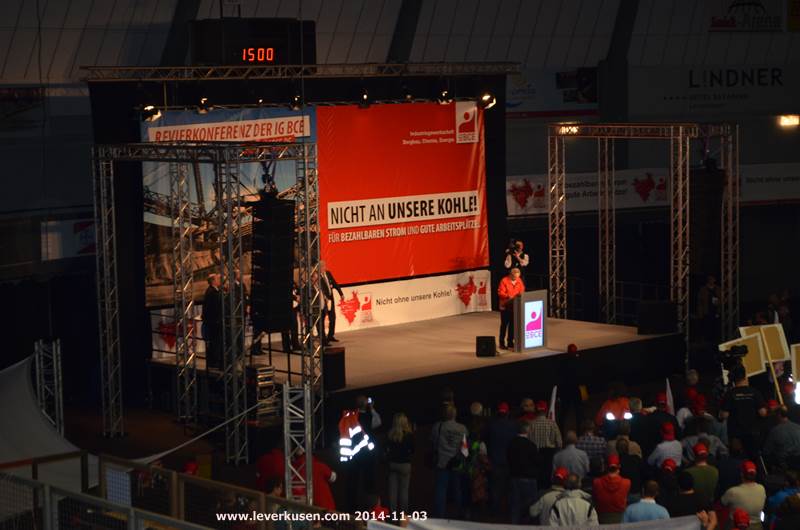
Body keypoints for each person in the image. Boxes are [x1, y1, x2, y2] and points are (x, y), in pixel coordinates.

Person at [720, 365, 767, 458]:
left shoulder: (730, 394)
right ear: (745, 377)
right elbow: (763, 412)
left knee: (738, 461)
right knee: (753, 459)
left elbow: (724, 415)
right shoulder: (755, 392)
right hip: (753, 433)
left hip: (736, 435)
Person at [431, 404, 468, 518]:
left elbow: (433, 442)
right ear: (455, 415)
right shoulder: (462, 428)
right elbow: (465, 446)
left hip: (442, 462)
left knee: (441, 490)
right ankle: (459, 514)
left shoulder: (438, 426)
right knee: (458, 489)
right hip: (456, 462)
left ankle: (439, 516)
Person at [346, 396, 382, 511]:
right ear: (365, 405)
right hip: (368, 454)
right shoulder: (369, 416)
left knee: (353, 482)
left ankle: (352, 508)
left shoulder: (351, 417)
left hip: (355, 453)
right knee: (369, 483)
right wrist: (372, 409)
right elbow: (378, 422)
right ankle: (370, 508)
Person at [487, 402, 516, 514]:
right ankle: (508, 511)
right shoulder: (514, 425)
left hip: (495, 460)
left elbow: (486, 440)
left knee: (495, 488)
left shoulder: (491, 425)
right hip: (510, 461)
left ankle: (495, 510)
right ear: (508, 412)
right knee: (509, 488)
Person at [507, 421, 539, 524]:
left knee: (515, 505)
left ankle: (514, 525)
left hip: (514, 477)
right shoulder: (532, 445)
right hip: (529, 479)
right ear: (528, 431)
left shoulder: (511, 444)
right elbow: (536, 462)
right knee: (530, 507)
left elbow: (508, 459)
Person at [721, 460, 766, 530]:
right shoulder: (762, 488)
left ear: (742, 474)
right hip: (757, 527)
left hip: (737, 526)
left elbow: (722, 503)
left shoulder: (733, 491)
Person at [386, 413, 414, 514]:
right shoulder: (409, 435)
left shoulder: (390, 434)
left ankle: (392, 513)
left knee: (392, 491)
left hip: (393, 464)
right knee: (404, 491)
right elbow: (413, 450)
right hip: (405, 465)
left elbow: (386, 450)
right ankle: (403, 514)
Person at [592, 454, 631, 524]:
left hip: (602, 518)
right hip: (619, 518)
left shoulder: (596, 482)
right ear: (619, 466)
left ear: (605, 466)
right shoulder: (627, 482)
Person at [497, 267, 525, 349]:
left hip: (515, 306)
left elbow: (522, 289)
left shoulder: (519, 280)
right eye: (515, 277)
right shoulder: (504, 281)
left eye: (517, 277)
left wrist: (520, 295)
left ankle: (510, 342)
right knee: (504, 325)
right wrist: (509, 296)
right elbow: (500, 292)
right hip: (505, 306)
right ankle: (501, 343)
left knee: (512, 325)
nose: (516, 278)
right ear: (511, 275)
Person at [319, 261, 344, 345]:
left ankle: (330, 335)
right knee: (322, 319)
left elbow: (335, 284)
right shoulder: (317, 276)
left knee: (333, 317)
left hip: (330, 299)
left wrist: (341, 293)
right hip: (324, 301)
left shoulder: (328, 273)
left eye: (324, 266)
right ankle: (323, 339)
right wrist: (325, 298)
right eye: (322, 266)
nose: (324, 268)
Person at [202, 273, 223, 369]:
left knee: (216, 342)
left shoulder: (214, 291)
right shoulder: (211, 292)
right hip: (214, 322)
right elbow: (213, 308)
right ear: (213, 281)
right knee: (215, 342)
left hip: (215, 321)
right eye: (218, 279)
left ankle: (215, 361)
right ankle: (214, 362)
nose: (220, 280)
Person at [616, 438, 643, 505]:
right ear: (628, 448)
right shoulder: (636, 459)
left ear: (617, 449)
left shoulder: (616, 463)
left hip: (622, 494)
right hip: (635, 492)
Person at [697, 275, 721, 344]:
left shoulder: (718, 288)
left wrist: (719, 310)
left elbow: (720, 299)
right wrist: (700, 313)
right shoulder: (703, 289)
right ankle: (707, 341)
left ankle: (715, 341)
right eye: (710, 279)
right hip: (707, 311)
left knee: (715, 328)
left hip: (715, 311)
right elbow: (700, 302)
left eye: (713, 279)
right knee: (707, 327)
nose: (712, 280)